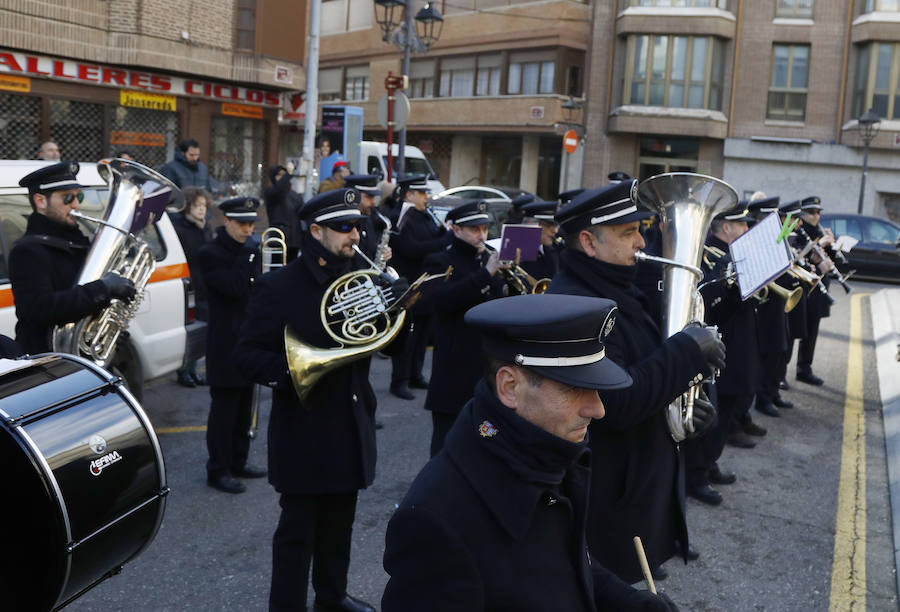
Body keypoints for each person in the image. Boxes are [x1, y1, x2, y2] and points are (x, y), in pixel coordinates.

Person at [382, 293, 679, 611]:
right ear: (510, 387)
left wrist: (629, 602)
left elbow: (567, 564)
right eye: (573, 388)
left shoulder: (542, 448)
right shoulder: (436, 522)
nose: (598, 408)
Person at [235, 187, 408, 612]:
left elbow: (388, 349)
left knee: (339, 526)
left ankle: (331, 598)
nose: (354, 235)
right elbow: (246, 356)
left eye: (357, 227)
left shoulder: (365, 280)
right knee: (297, 534)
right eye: (343, 228)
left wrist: (401, 307)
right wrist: (298, 369)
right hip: (305, 426)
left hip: (351, 419)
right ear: (316, 231)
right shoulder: (280, 286)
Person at [547, 180, 724, 583]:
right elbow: (618, 400)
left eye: (640, 230)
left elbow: (647, 367)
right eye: (629, 233)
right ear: (589, 242)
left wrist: (686, 411)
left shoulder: (615, 287)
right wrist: (687, 352)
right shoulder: (577, 304)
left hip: (635, 486)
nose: (641, 242)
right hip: (608, 497)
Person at [8, 162, 137, 355]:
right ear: (41, 201)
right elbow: (39, 309)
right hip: (48, 360)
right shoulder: (27, 251)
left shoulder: (77, 241)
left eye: (79, 197)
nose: (76, 204)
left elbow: (85, 296)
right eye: (67, 198)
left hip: (83, 354)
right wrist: (103, 288)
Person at [421, 200, 507, 456]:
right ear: (455, 230)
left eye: (484, 229)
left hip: (485, 371)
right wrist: (486, 276)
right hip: (453, 373)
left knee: (486, 437)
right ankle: (437, 496)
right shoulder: (439, 261)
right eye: (474, 229)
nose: (481, 235)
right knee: (446, 447)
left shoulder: (486, 263)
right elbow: (441, 301)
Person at [686, 203, 757, 506]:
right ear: (727, 227)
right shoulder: (710, 255)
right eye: (741, 226)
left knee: (725, 411)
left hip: (737, 340)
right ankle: (697, 475)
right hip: (718, 344)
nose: (746, 231)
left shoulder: (735, 255)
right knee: (713, 414)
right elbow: (706, 304)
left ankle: (710, 463)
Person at [197, 197, 266, 494]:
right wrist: (249, 255)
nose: (247, 229)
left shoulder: (250, 251)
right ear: (226, 221)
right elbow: (233, 289)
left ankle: (239, 460)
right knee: (224, 411)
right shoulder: (210, 253)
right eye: (241, 224)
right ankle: (218, 469)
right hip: (225, 342)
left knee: (245, 407)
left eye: (251, 223)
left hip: (250, 338)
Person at [388, 175, 449, 400]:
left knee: (423, 333)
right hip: (407, 282)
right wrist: (444, 240)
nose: (426, 197)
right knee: (407, 335)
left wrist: (445, 232)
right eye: (421, 193)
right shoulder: (400, 217)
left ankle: (416, 374)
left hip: (427, 282)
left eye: (425, 193)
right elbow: (411, 248)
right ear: (409, 195)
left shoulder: (425, 215)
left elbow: (433, 240)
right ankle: (399, 380)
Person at [171, 187, 214, 387]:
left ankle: (194, 369)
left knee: (202, 329)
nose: (201, 210)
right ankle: (184, 371)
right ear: (187, 206)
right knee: (189, 329)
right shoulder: (180, 229)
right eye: (196, 206)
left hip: (205, 284)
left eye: (203, 206)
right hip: (189, 284)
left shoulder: (206, 227)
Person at [794, 195, 835, 386]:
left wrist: (833, 246)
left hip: (819, 287)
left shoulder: (819, 230)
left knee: (811, 332)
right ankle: (777, 379)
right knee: (794, 331)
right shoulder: (799, 232)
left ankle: (804, 368)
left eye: (818, 213)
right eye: (811, 213)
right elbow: (801, 258)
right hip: (804, 288)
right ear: (802, 215)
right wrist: (820, 245)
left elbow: (828, 258)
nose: (816, 217)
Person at [344, 173, 391, 262]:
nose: (373, 202)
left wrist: (385, 253)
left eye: (373, 197)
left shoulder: (369, 218)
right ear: (353, 196)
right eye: (369, 196)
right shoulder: (345, 223)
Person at [264, 162, 303, 260]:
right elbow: (279, 190)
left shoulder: (295, 195)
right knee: (278, 269)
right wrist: (288, 174)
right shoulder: (271, 192)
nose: (282, 177)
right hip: (279, 238)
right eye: (279, 175)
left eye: (283, 174)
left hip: (294, 239)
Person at [518, 199, 561, 282]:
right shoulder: (517, 253)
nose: (555, 231)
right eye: (549, 225)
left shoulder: (552, 249)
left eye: (556, 225)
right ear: (531, 224)